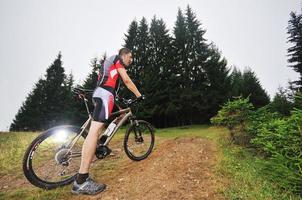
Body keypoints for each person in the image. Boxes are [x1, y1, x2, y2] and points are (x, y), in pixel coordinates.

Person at [72, 48, 142, 195]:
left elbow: (111, 81)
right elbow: (127, 81)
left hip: (103, 93)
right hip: (105, 94)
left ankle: (101, 144)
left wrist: (120, 100)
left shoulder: (111, 66)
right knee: (95, 130)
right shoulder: (117, 59)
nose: (131, 60)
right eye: (130, 57)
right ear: (123, 55)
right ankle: (81, 181)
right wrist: (139, 95)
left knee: (116, 116)